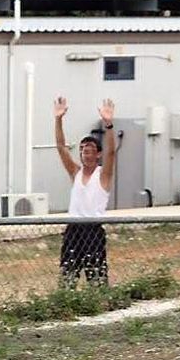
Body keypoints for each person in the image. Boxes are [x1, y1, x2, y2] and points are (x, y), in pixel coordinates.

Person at [54, 97, 116, 288]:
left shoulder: (102, 175)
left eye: (89, 151)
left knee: (96, 277)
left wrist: (108, 124)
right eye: (82, 150)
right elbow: (61, 148)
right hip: (74, 228)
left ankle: (100, 303)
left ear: (97, 154)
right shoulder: (76, 172)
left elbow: (111, 152)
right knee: (68, 275)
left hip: (93, 229)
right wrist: (58, 119)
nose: (84, 154)